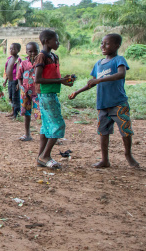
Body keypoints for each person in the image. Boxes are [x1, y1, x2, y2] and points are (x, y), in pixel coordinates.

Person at [69, 34, 139, 169]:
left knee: (125, 130)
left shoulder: (119, 60)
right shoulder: (99, 64)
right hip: (103, 105)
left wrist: (100, 80)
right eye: (102, 43)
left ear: (117, 46)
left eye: (107, 43)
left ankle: (128, 154)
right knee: (103, 132)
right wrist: (77, 92)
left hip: (118, 103)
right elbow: (92, 82)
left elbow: (121, 74)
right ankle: (105, 160)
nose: (103, 46)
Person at [34, 30, 74, 169]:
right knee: (58, 125)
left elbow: (52, 76)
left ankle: (41, 158)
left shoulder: (54, 56)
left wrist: (64, 80)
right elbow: (38, 79)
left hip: (51, 93)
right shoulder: (41, 57)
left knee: (46, 126)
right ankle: (45, 156)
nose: (58, 43)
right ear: (46, 41)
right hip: (45, 94)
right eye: (55, 40)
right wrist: (59, 80)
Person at [17, 42, 41, 141]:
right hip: (25, 92)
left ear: (39, 51)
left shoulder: (40, 63)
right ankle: (27, 134)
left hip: (37, 92)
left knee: (41, 113)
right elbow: (19, 77)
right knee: (27, 114)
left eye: (35, 51)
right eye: (30, 51)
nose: (33, 53)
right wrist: (21, 87)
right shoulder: (23, 63)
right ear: (26, 52)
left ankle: (48, 135)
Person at [3, 43, 22, 118]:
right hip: (10, 81)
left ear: (18, 50)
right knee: (11, 97)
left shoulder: (18, 60)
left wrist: (18, 83)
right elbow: (7, 71)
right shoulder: (9, 59)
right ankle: (13, 111)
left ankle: (16, 114)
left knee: (15, 98)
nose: (11, 50)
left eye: (13, 49)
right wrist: (5, 80)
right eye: (10, 49)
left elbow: (19, 72)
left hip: (15, 81)